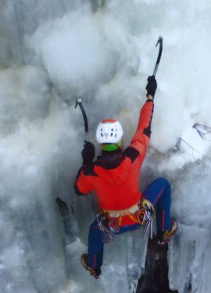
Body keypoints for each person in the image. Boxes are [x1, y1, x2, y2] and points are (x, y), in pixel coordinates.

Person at [74, 76, 178, 279]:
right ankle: (164, 231)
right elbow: (144, 128)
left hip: (111, 226)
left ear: (101, 144)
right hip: (139, 216)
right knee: (163, 184)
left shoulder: (92, 172)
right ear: (120, 140)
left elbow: (79, 189)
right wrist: (150, 97)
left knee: (94, 232)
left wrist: (85, 164)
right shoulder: (133, 156)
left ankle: (95, 265)